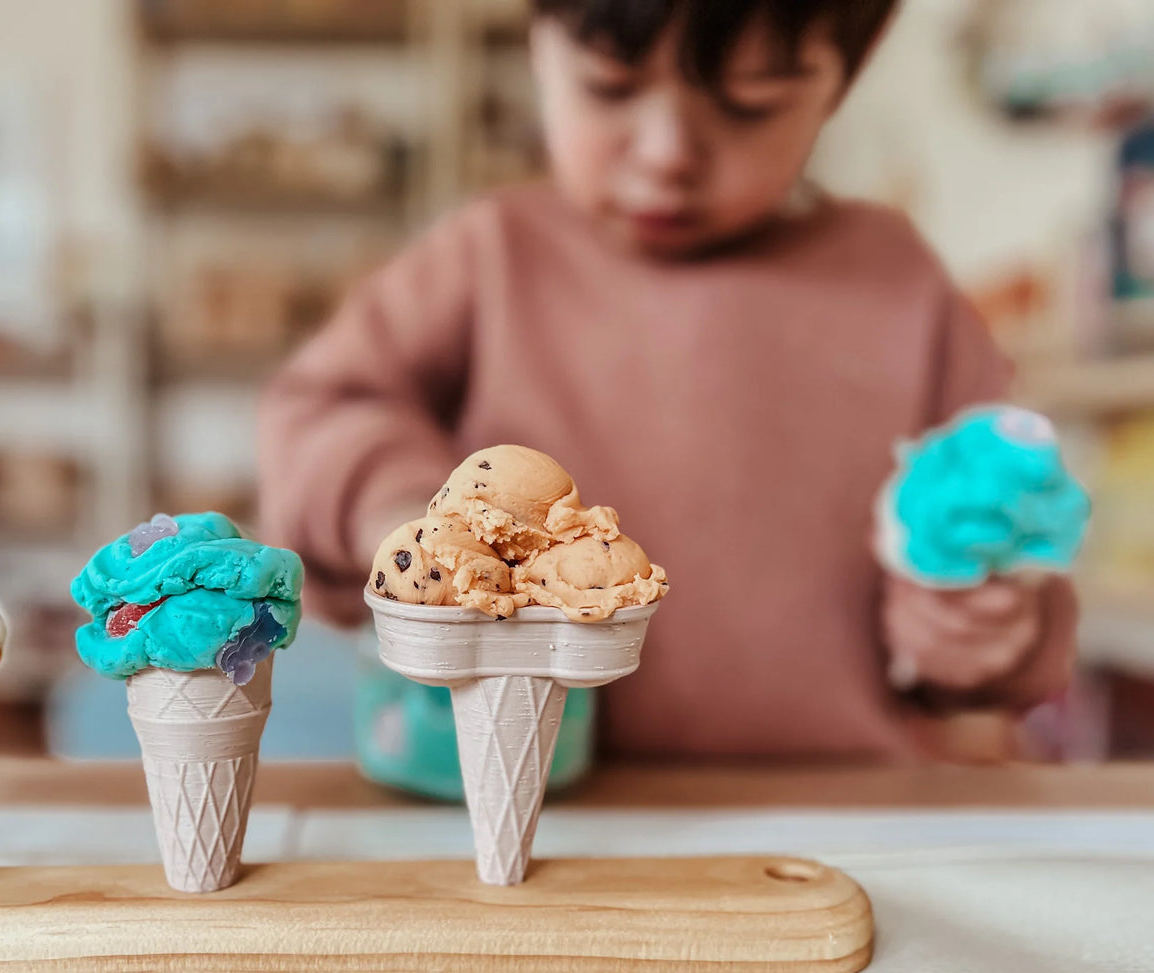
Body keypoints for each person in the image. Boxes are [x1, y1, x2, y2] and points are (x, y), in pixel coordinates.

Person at [257, 0, 1077, 762]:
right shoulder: (492, 255)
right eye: (608, 88)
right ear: (537, 46)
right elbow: (319, 411)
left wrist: (989, 630)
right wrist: (406, 521)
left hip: (833, 809)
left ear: (840, 82)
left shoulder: (903, 288)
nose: (666, 153)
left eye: (751, 102)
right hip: (525, 796)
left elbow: (1018, 573)